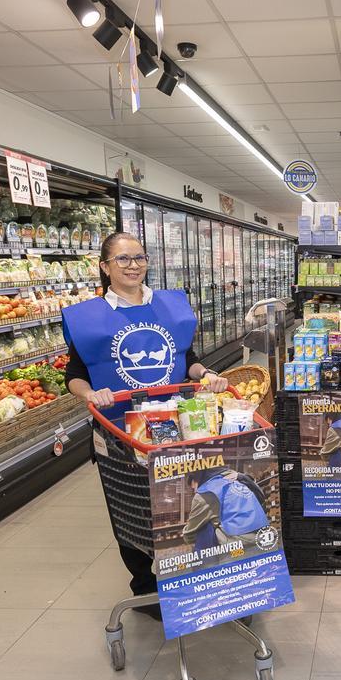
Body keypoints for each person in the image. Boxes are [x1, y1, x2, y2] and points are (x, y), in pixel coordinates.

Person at [62, 232, 229, 614]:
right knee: (132, 508)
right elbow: (74, 373)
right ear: (105, 267)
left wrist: (207, 374)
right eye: (122, 259)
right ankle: (145, 585)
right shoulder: (89, 319)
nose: (133, 265)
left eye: (139, 257)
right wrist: (89, 394)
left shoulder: (170, 307)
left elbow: (188, 359)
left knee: (183, 498)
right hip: (121, 430)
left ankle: (192, 568)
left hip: (176, 423)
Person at [180, 469, 271, 552]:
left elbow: (189, 535)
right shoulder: (237, 479)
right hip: (265, 535)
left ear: (197, 480)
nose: (195, 491)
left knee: (205, 528)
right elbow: (261, 497)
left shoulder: (204, 493)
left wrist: (186, 531)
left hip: (240, 544)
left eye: (193, 488)